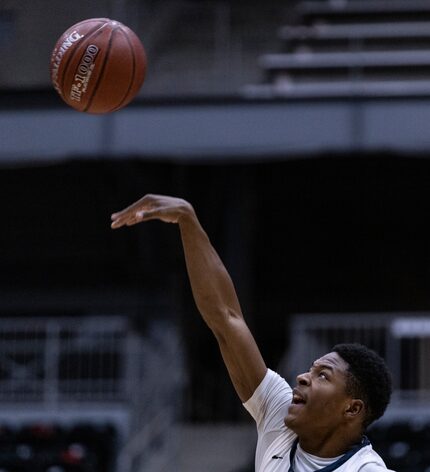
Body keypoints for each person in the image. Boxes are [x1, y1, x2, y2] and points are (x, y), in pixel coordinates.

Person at [111, 194, 394, 472]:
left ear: (352, 409)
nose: (303, 377)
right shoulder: (278, 415)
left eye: (323, 375)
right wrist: (187, 219)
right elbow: (225, 317)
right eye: (312, 368)